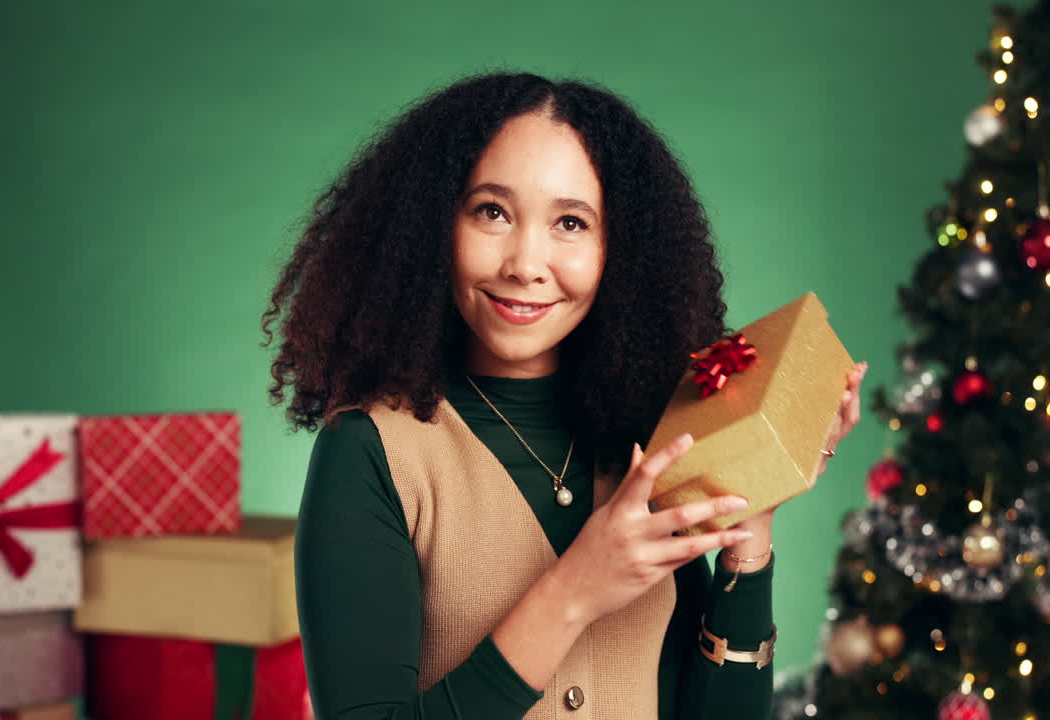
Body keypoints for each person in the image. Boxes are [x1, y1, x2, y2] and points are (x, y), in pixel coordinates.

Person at [263, 71, 867, 720]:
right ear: (435, 225)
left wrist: (750, 537)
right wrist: (574, 591)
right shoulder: (370, 449)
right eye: (491, 211)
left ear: (621, 251)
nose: (525, 262)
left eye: (571, 223)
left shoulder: (649, 440)